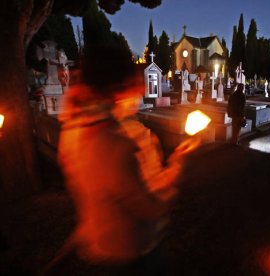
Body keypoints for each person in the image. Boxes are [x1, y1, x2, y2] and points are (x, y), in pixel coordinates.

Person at [53, 45, 199, 274]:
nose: (138, 93)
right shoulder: (114, 145)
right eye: (133, 86)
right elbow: (150, 207)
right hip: (131, 250)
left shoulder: (73, 127)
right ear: (117, 89)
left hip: (99, 242)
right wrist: (178, 161)